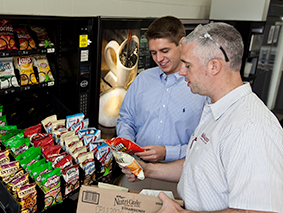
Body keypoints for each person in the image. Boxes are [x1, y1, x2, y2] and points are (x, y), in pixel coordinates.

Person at [121, 22, 283, 213]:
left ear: (214, 66)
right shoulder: (215, 109)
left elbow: (260, 211)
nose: (181, 72)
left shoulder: (251, 127)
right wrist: (148, 170)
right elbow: (198, 165)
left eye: (188, 65)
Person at [116, 16, 207, 163]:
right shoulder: (142, 79)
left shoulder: (201, 88)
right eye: (153, 52)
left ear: (182, 44)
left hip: (178, 172)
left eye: (165, 50)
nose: (159, 58)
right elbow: (126, 120)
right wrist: (128, 145)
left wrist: (168, 152)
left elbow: (205, 143)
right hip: (137, 167)